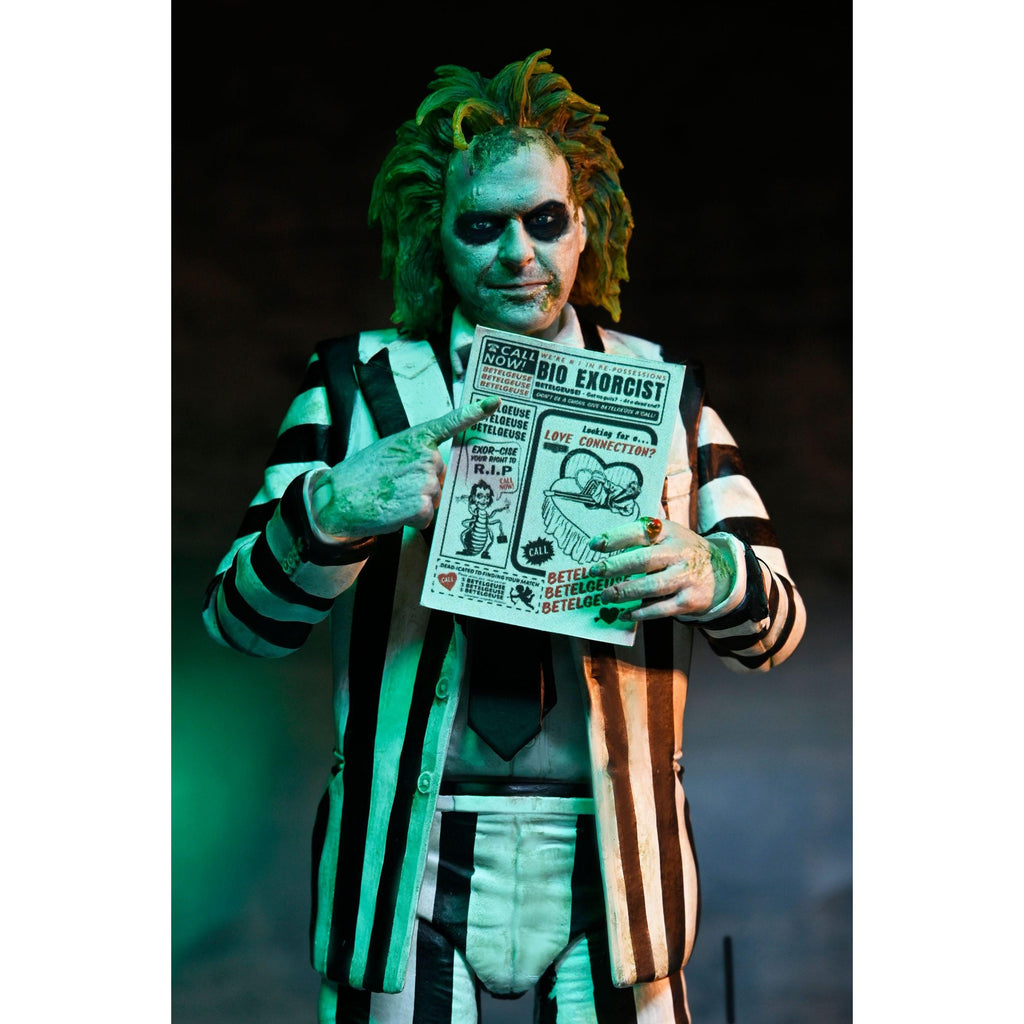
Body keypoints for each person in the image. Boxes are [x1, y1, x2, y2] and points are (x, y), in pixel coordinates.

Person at [202, 49, 806, 1024]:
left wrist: (714, 570)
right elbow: (239, 622)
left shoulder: (666, 394)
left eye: (544, 220)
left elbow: (776, 630)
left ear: (585, 225)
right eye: (481, 225)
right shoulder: (356, 387)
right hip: (403, 850)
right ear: (432, 236)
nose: (518, 254)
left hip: (614, 851)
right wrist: (331, 510)